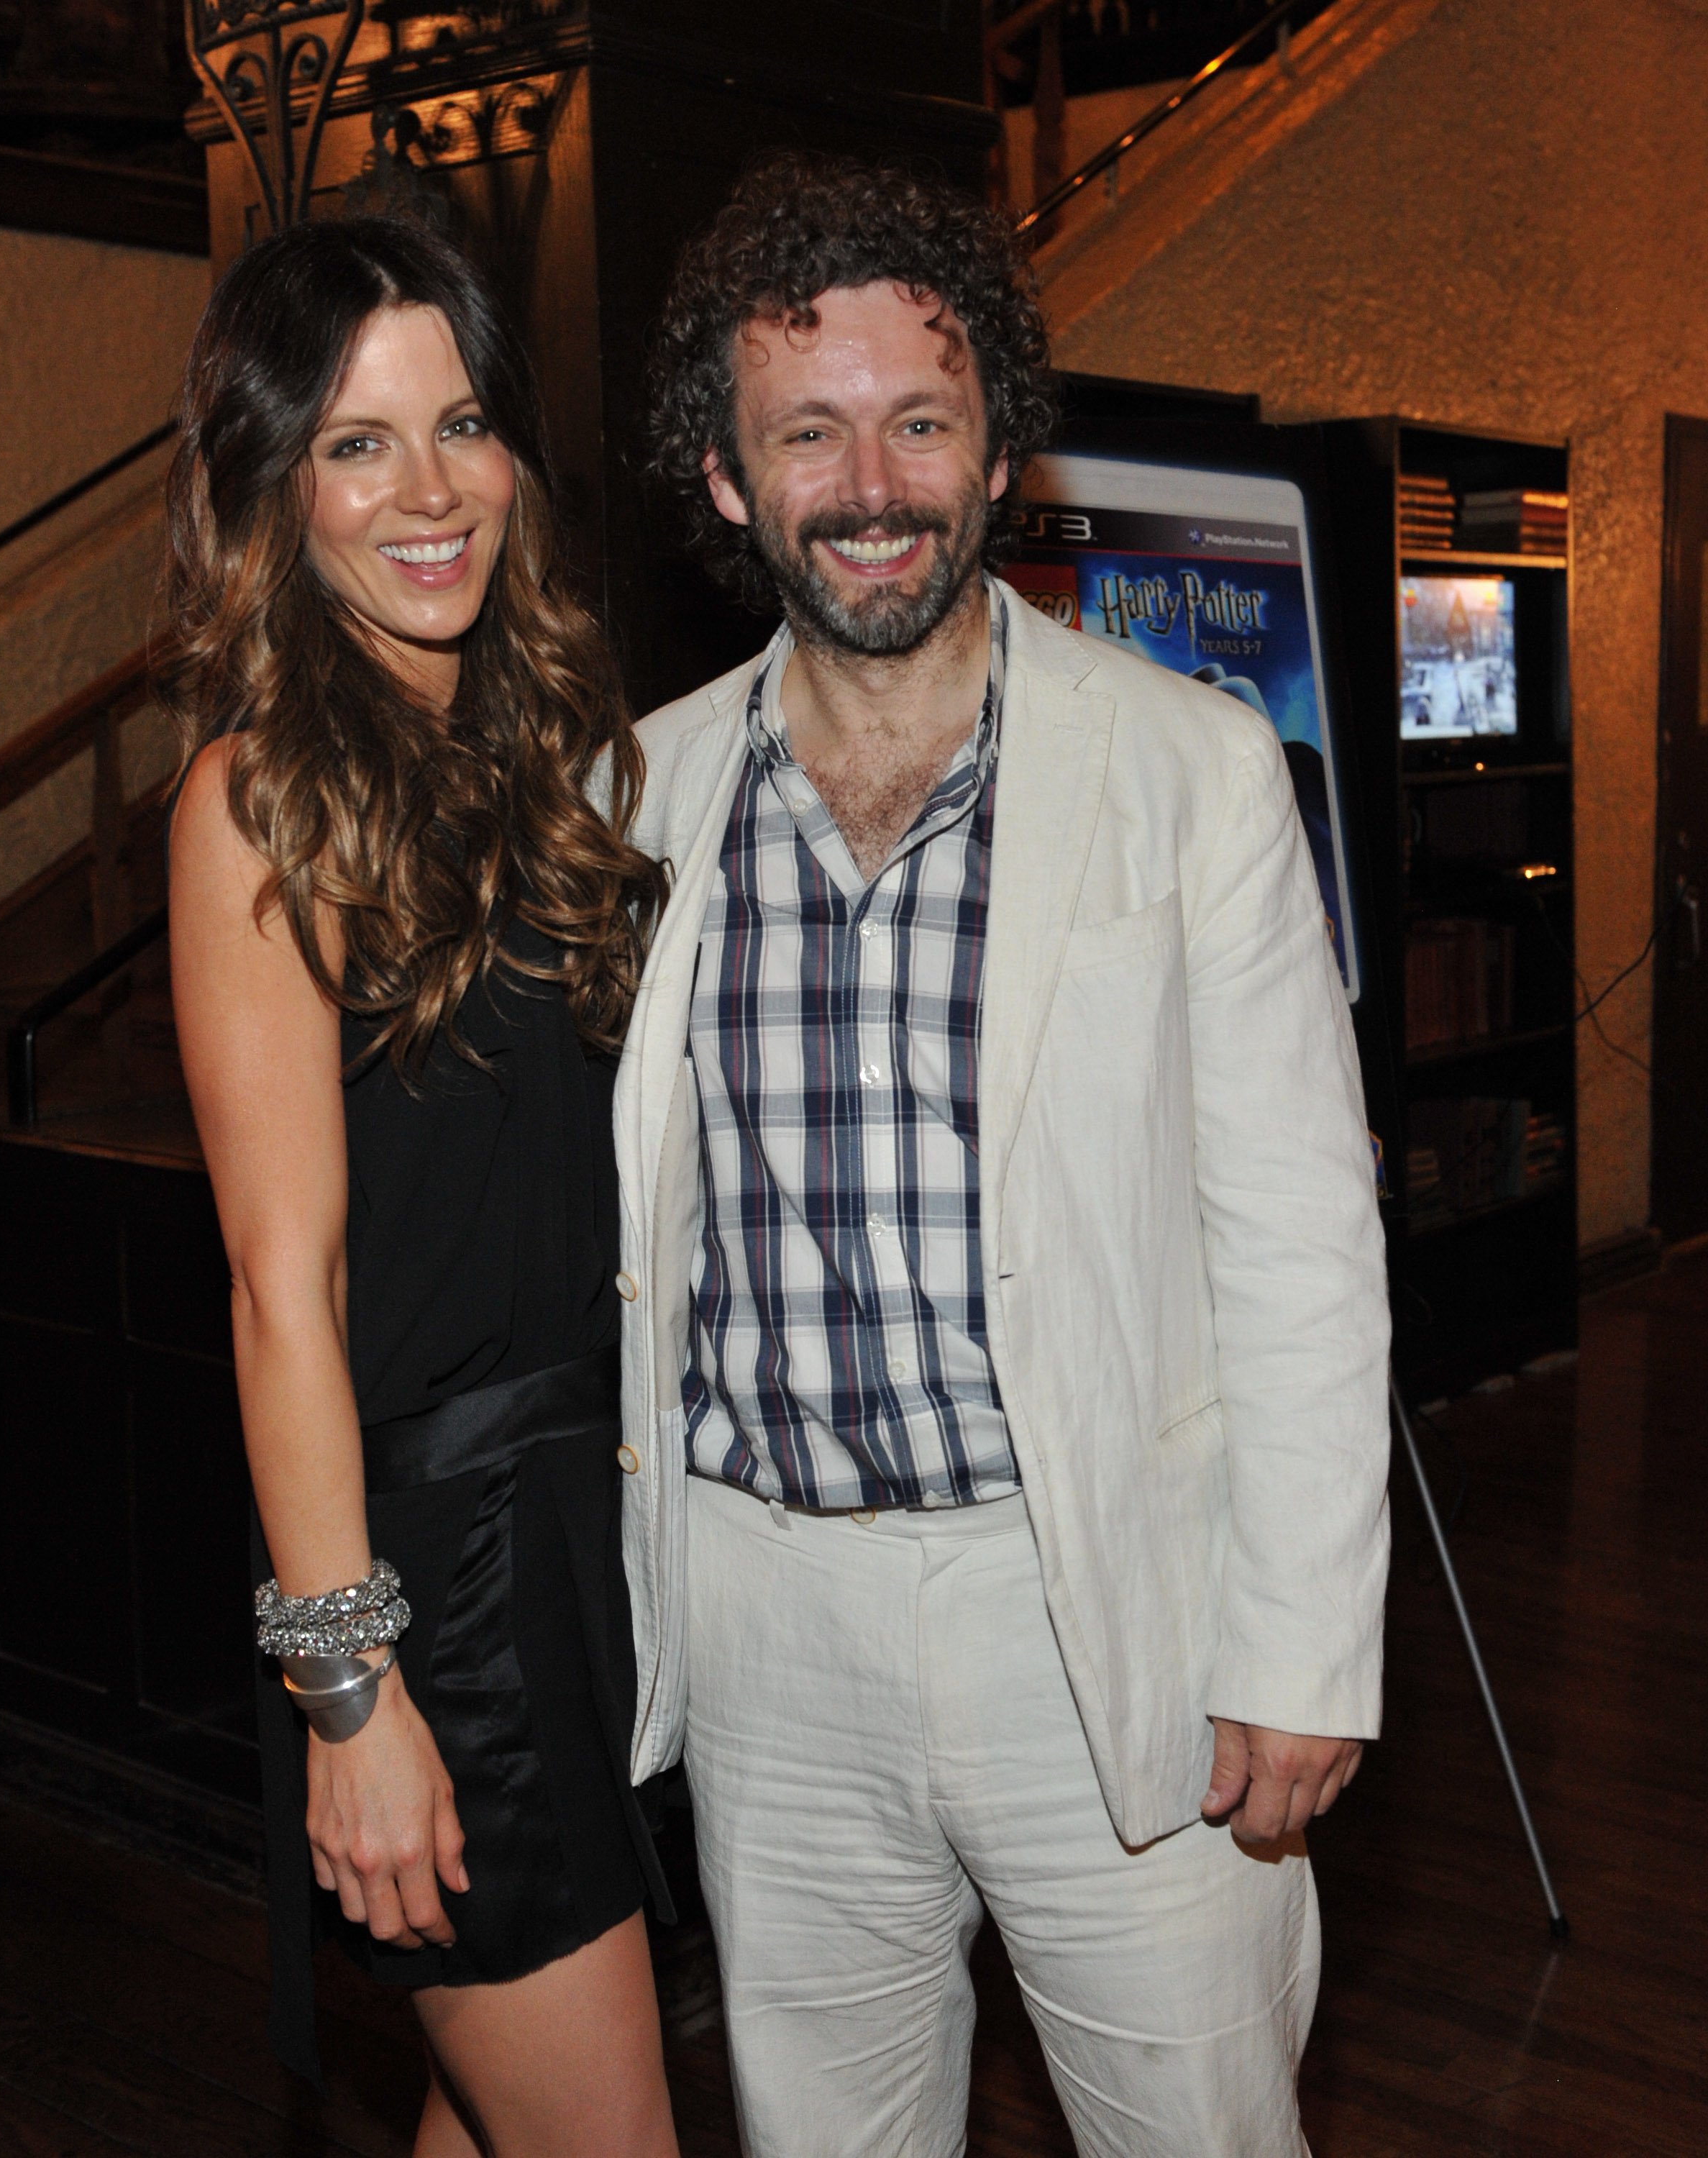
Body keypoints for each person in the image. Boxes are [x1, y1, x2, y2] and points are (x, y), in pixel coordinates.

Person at [616, 153, 1392, 2157]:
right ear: (726, 474)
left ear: (996, 455)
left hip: (1100, 1614)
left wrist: (1299, 1648)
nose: (870, 482)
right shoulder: (632, 796)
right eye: (810, 430)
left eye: (920, 421)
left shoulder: (1191, 771)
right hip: (762, 1626)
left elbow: (1303, 1242)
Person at [164, 215, 676, 2158]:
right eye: (359, 444)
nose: (430, 489)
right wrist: (351, 1696)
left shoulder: (533, 758)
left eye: (459, 424)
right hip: (435, 1573)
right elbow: (278, 1285)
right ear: (273, 485)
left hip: (577, 1529)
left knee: (503, 2117)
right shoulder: (258, 795)